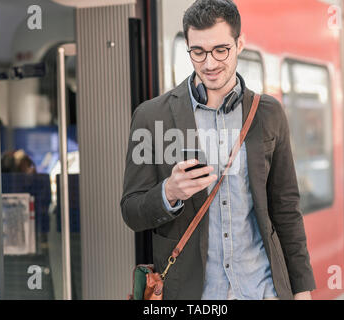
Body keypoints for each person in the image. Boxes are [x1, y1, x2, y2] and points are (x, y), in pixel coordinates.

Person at [121, 0, 316, 300]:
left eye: (220, 50)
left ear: (240, 44)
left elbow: (286, 209)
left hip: (263, 290)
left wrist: (302, 290)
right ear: (187, 47)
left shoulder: (268, 113)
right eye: (198, 52)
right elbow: (131, 211)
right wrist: (169, 192)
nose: (209, 63)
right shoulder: (151, 116)